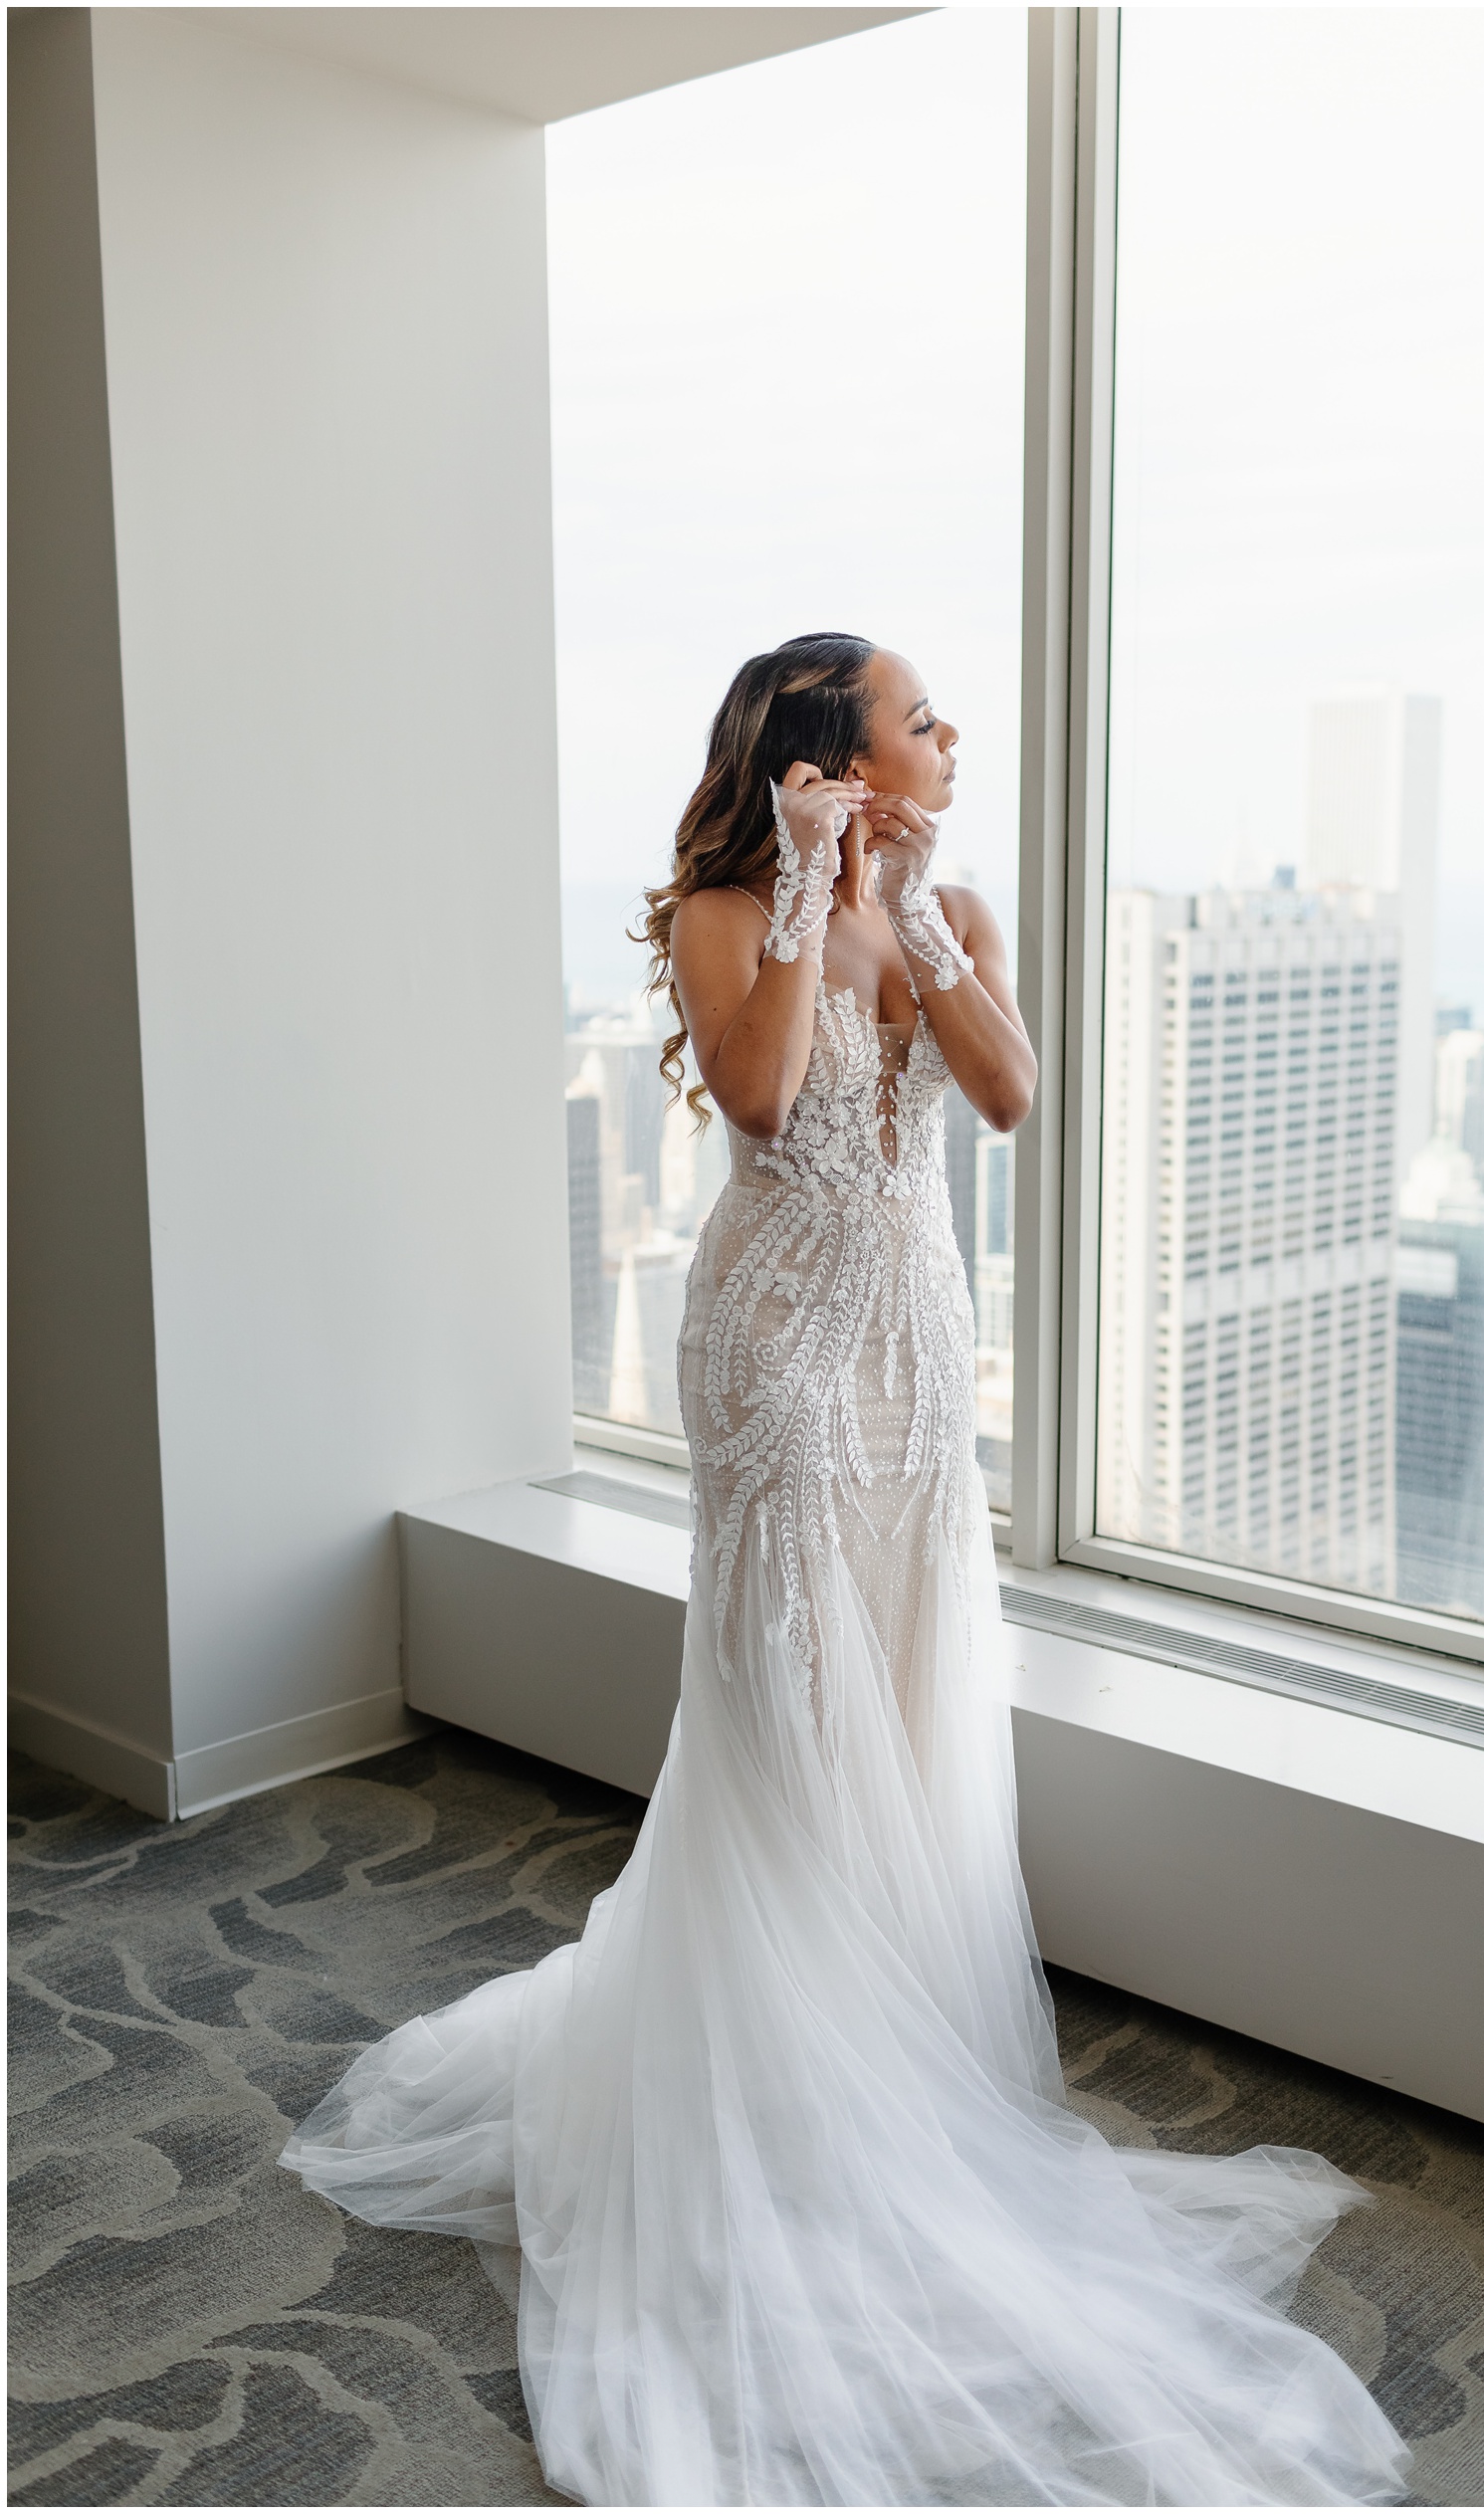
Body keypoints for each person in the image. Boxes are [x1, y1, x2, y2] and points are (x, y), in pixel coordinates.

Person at [281, 632, 1411, 2507]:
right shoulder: (730, 908)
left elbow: (1012, 1094)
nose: (951, 734)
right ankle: (780, 2095)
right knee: (791, 1705)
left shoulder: (950, 893)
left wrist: (919, 915)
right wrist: (809, 880)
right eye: (920, 717)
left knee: (905, 1681)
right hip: (783, 1338)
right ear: (831, 752)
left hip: (911, 1336)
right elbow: (754, 1089)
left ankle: (891, 2050)